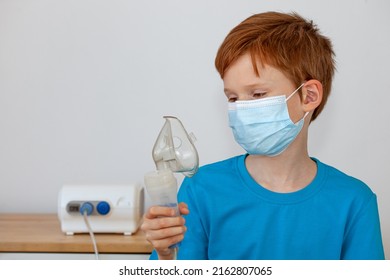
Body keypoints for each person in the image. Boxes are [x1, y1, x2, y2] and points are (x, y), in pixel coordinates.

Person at [141, 11, 385, 260]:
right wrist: (165, 255)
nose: (241, 109)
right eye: (233, 98)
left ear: (309, 96)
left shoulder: (352, 202)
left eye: (257, 94)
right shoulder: (201, 190)